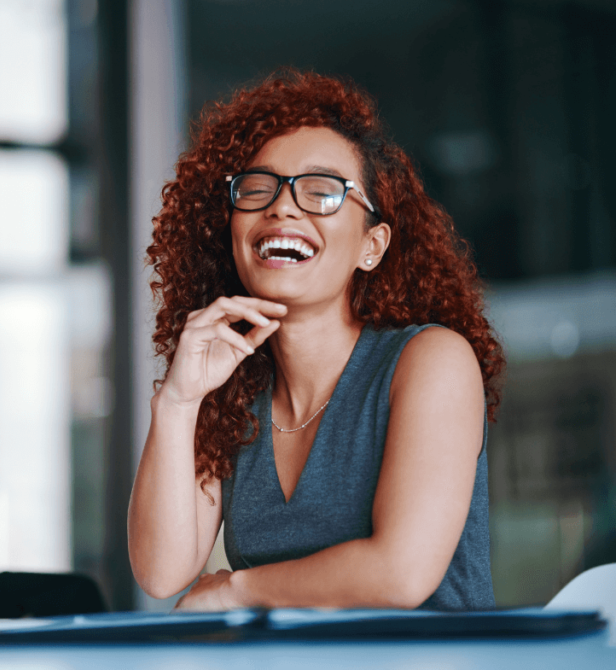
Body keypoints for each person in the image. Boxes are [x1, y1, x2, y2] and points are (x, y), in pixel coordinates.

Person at [127, 69, 504, 612]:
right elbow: (162, 574)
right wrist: (179, 401)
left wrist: (237, 591)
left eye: (322, 191)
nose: (282, 207)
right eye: (258, 188)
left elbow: (400, 573)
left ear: (370, 246)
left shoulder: (430, 361)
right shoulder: (234, 392)